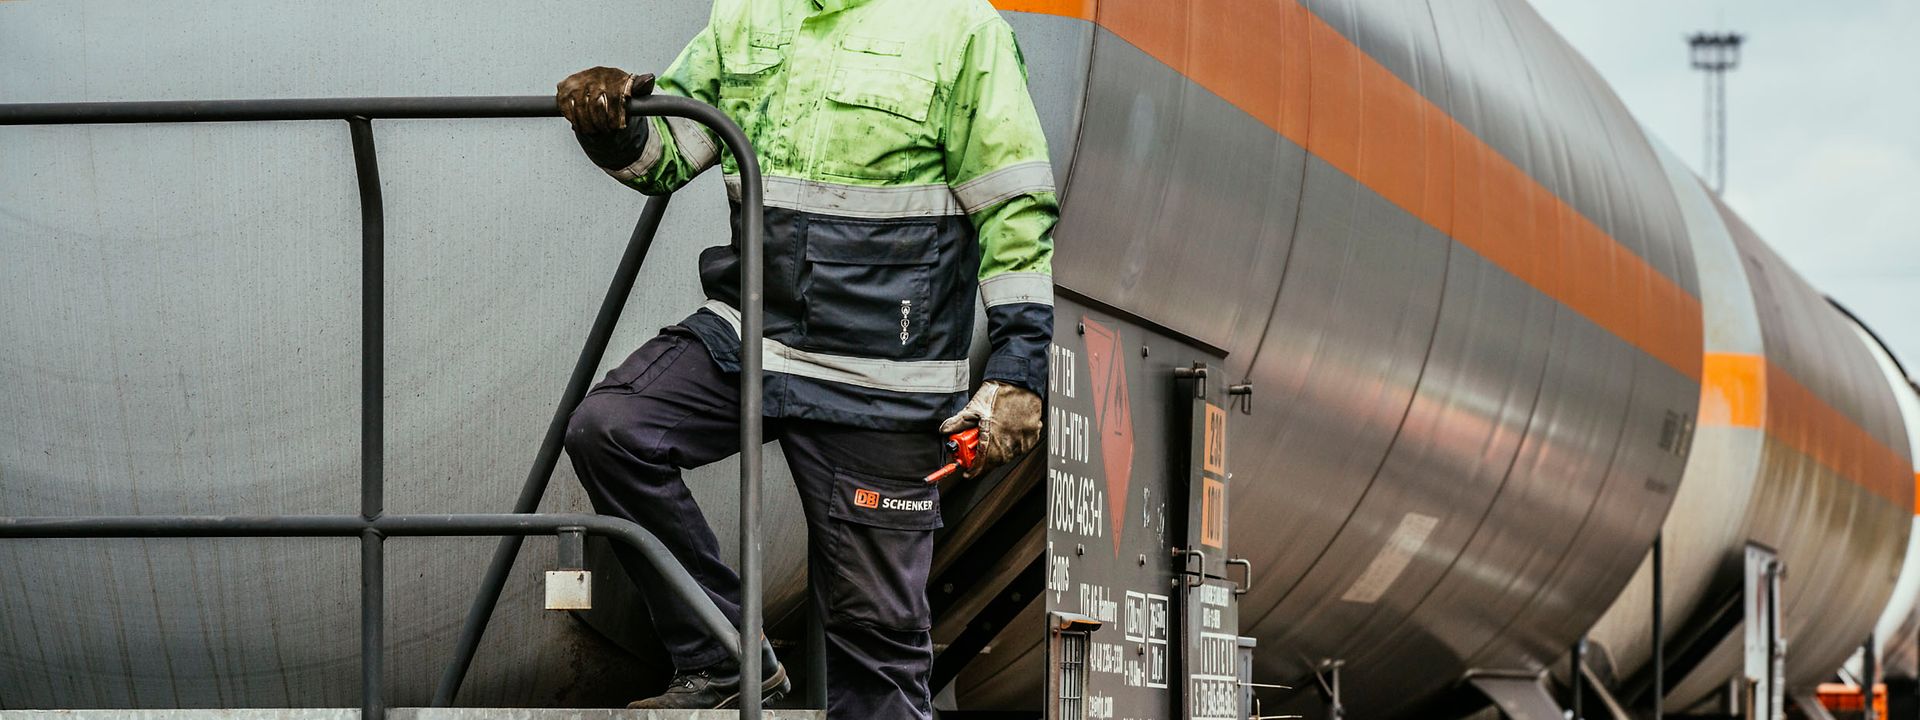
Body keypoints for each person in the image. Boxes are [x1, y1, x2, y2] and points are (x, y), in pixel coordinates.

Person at [554, 0, 1056, 715]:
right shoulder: (749, 16)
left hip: (884, 374)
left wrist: (1018, 370)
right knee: (611, 430)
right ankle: (723, 655)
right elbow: (665, 156)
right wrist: (611, 122)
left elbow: (1016, 208)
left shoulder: (961, 28)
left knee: (875, 648)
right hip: (756, 338)